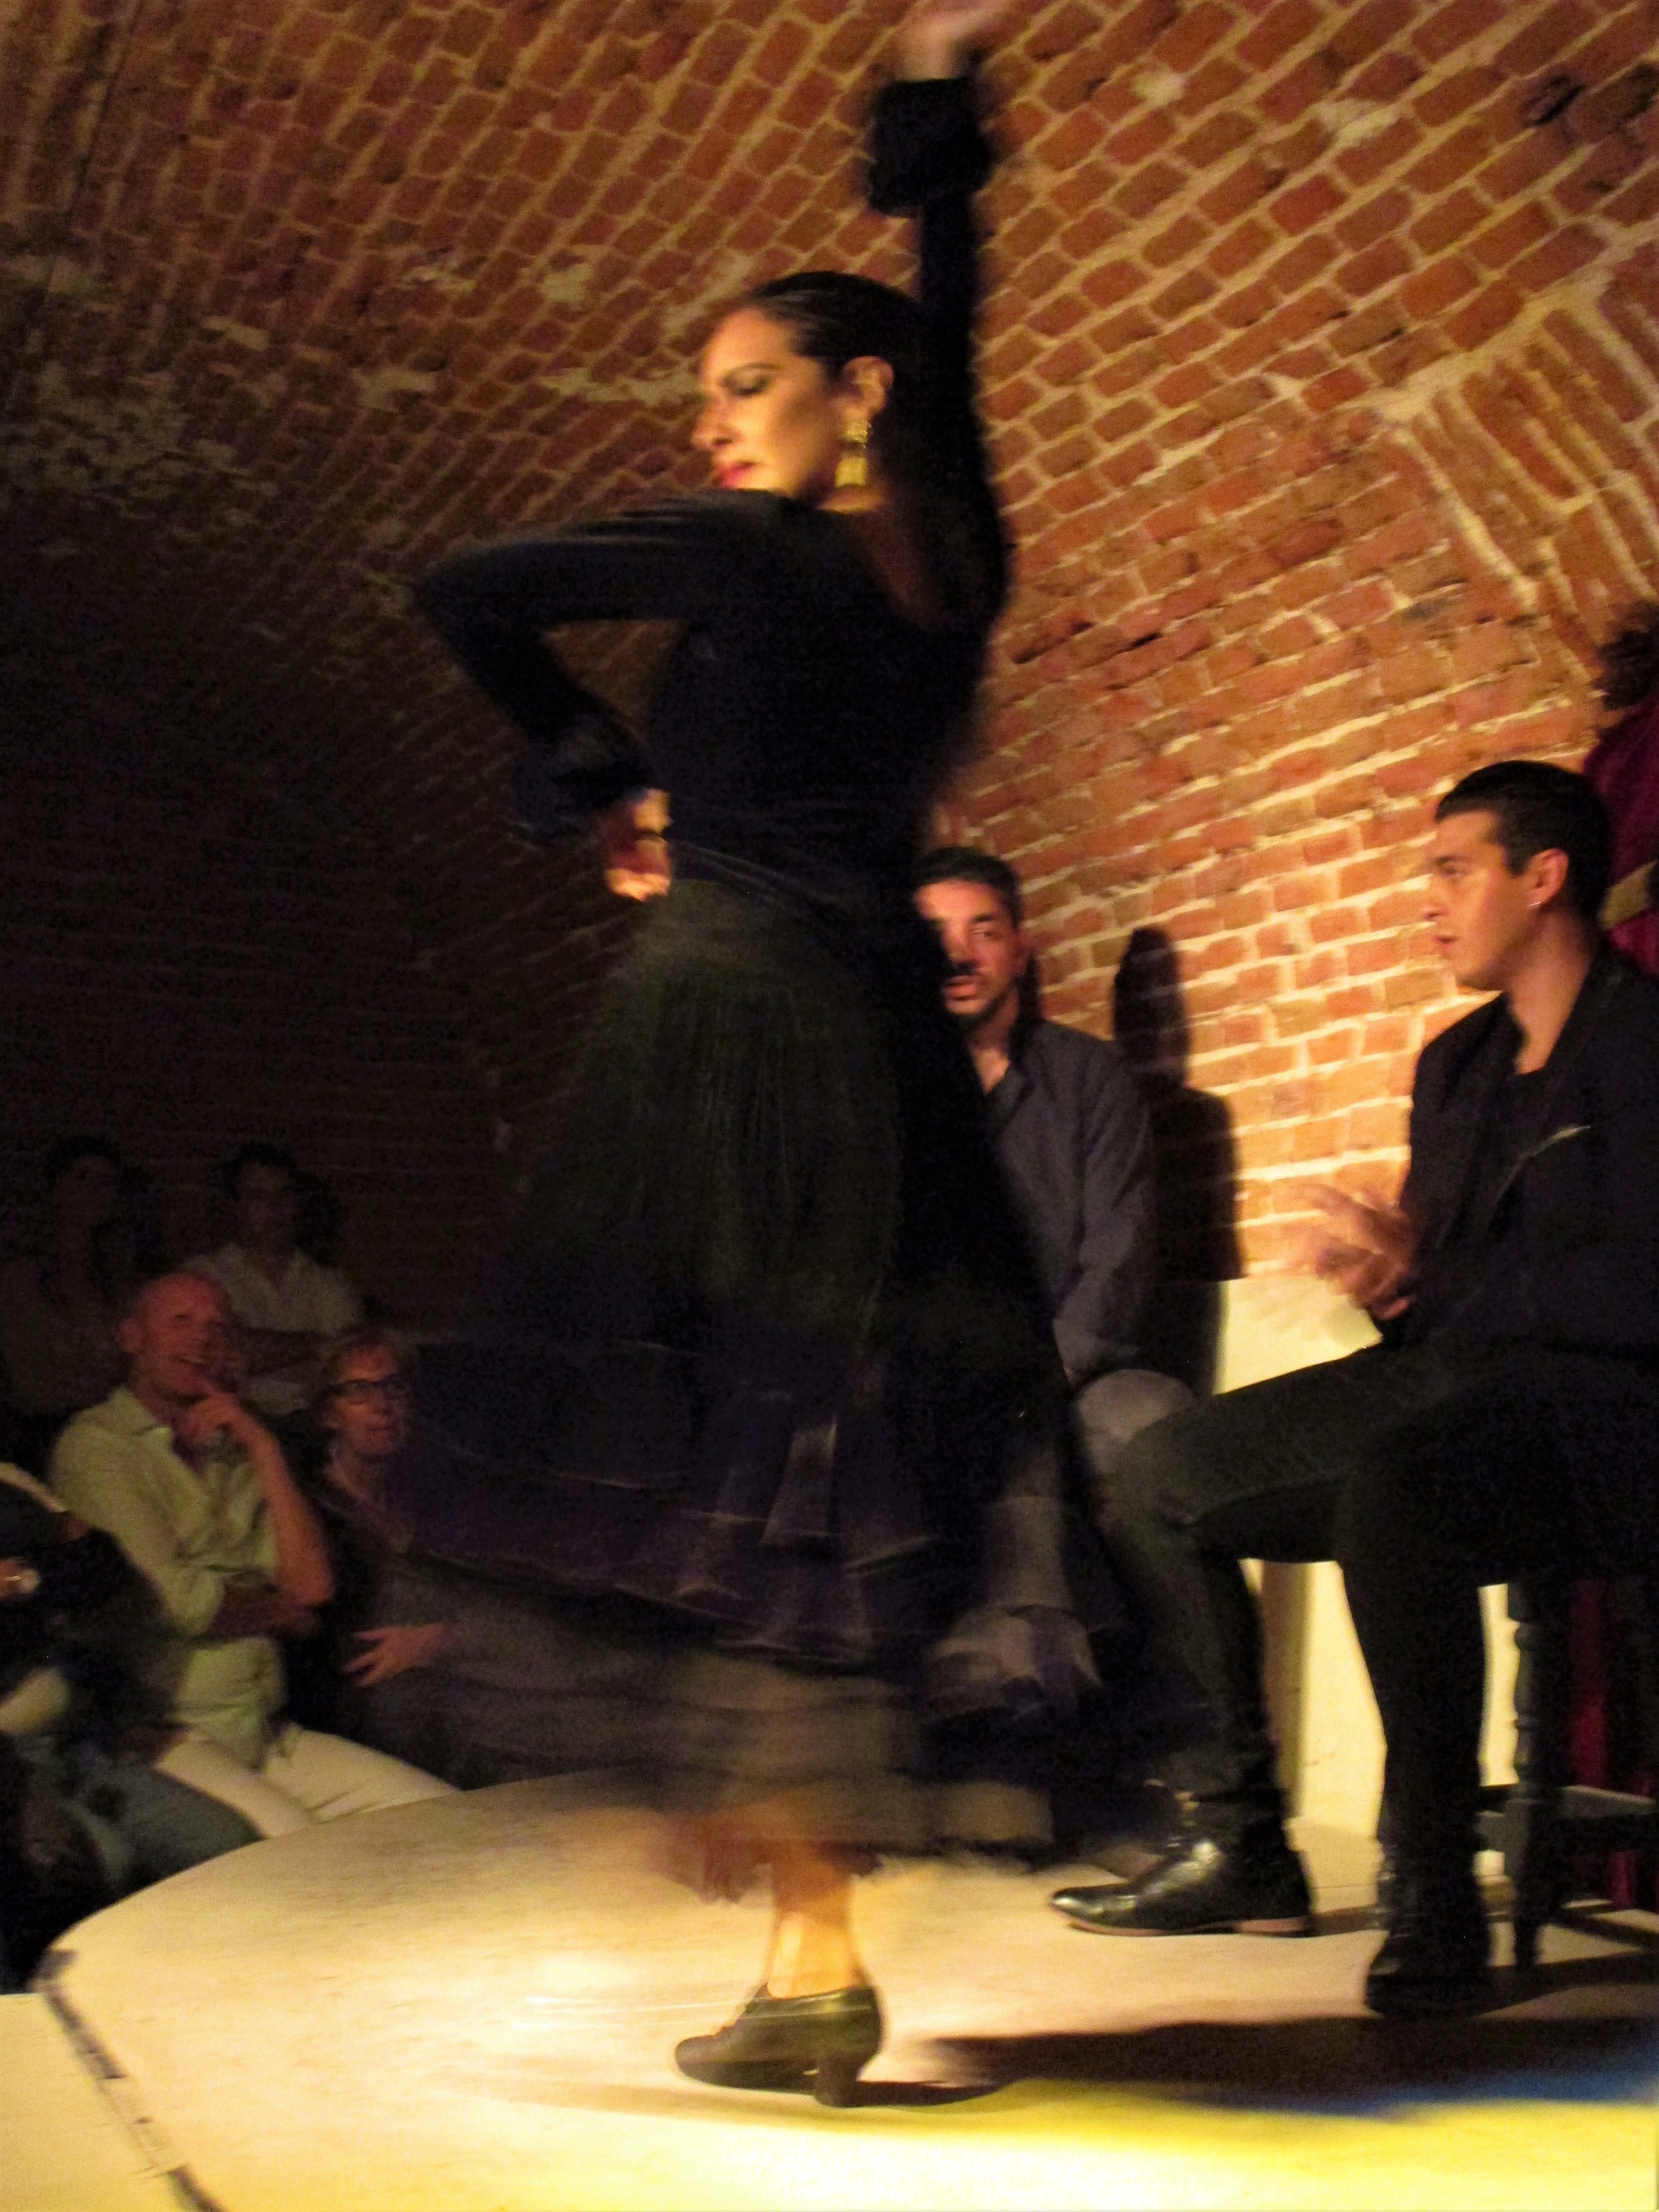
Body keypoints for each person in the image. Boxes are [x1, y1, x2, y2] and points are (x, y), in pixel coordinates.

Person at [415, 0, 1095, 2103]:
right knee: (820, 1465)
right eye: (704, 398)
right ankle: (812, 1953)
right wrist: (937, 108)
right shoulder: (945, 555)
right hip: (870, 1052)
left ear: (842, 391)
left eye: (742, 384)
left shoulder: (741, 550)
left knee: (714, 1449)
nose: (711, 426)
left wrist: (586, 753)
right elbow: (952, 341)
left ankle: (795, 1924)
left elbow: (465, 588)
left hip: (725, 1036)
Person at [1048, 761, 1659, 2021]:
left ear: (1543, 877)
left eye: (1452, 869)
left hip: (1604, 1409)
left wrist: (1446, 1282)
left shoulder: (1642, 1043)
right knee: (1160, 1470)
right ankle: (1242, 1843)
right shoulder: (1456, 1064)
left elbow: (1638, 1288)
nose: (1425, 899)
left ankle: (1430, 1880)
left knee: (1398, 1489)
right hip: (1452, 1380)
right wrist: (1391, 1279)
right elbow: (1444, 1292)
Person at [48, 1274, 454, 1837]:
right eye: (181, 1322)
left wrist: (262, 1445)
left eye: (217, 1327)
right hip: (169, 1734)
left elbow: (312, 1587)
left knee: (445, 1817)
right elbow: (177, 1601)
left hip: (262, 1730)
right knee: (299, 1854)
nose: (203, 1338)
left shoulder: (232, 1448)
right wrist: (278, 1611)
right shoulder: (98, 1445)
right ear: (131, 1336)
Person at [913, 848, 1192, 1510]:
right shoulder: (883, 1095)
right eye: (935, 937)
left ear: (1019, 952)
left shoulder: (1091, 1078)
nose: (959, 955)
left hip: (1062, 1380)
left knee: (1154, 1417)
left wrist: (1036, 1383)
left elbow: (1119, 1256)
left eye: (983, 932)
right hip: (927, 1391)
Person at [0, 1462, 259, 1986]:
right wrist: (43, 1577)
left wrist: (25, 1579)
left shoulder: (11, 1484)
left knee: (230, 1844)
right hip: (14, 1774)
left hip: (84, 1749)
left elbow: (104, 1568)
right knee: (102, 1865)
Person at [284, 1327, 456, 1752]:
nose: (383, 1405)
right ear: (329, 1413)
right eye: (359, 1392)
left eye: (393, 1387)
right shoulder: (311, 1507)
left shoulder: (429, 1498)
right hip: (348, 1720)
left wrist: (439, 1639)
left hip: (436, 1703)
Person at [187, 1144, 362, 1429]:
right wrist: (317, 1344)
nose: (275, 1209)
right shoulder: (204, 1276)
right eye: (259, 1197)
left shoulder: (328, 1284)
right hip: (232, 1424)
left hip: (313, 1427)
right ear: (235, 1206)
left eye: (284, 1196)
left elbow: (346, 1366)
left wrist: (261, 1355)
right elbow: (224, 1353)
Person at [0, 1137, 146, 1473]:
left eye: (105, 1182)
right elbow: (27, 1376)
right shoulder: (17, 1278)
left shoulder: (124, 1280)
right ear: (55, 1189)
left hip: (114, 1426)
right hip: (38, 1432)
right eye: (81, 1178)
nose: (93, 1191)